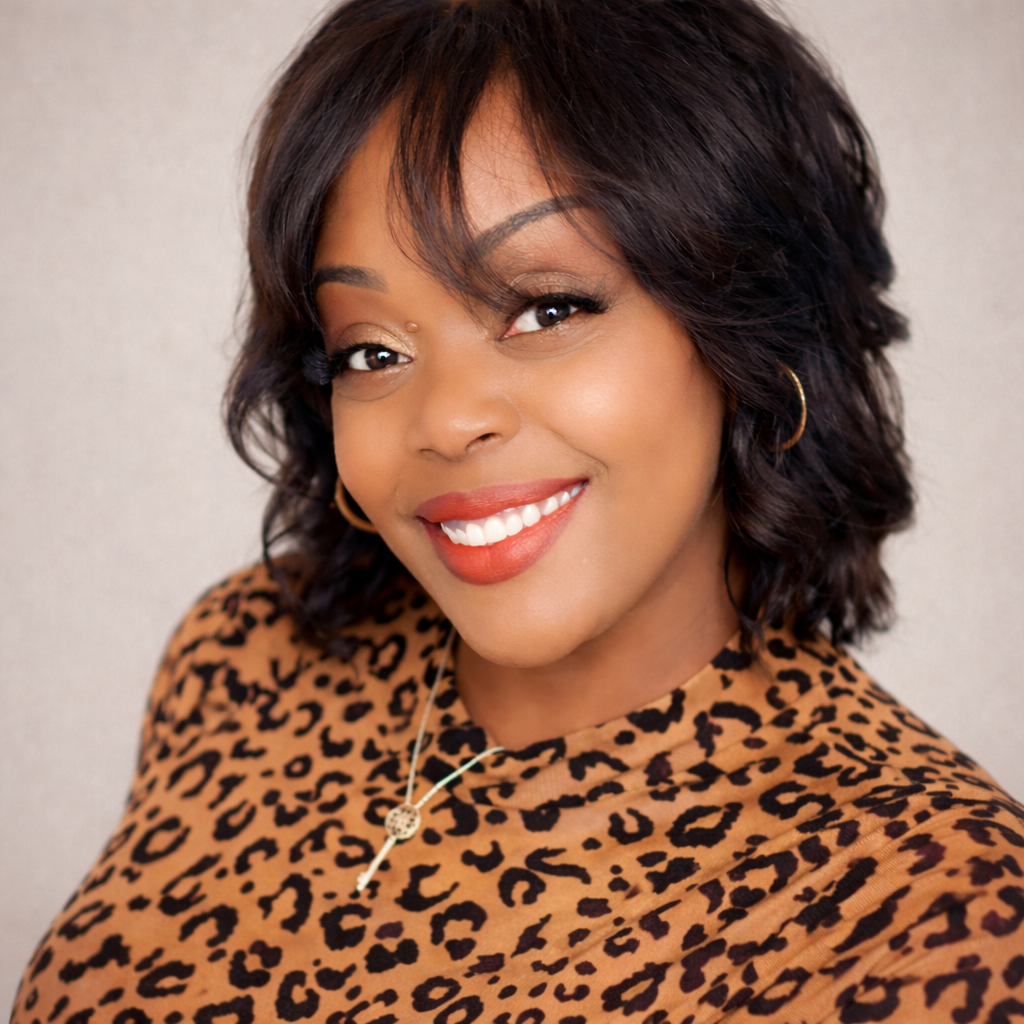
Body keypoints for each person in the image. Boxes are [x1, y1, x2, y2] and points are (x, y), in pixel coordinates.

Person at [12, 0, 1024, 1021]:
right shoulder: (242, 658)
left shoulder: (943, 912)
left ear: (750, 334)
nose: (447, 420)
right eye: (371, 350)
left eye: (547, 308)